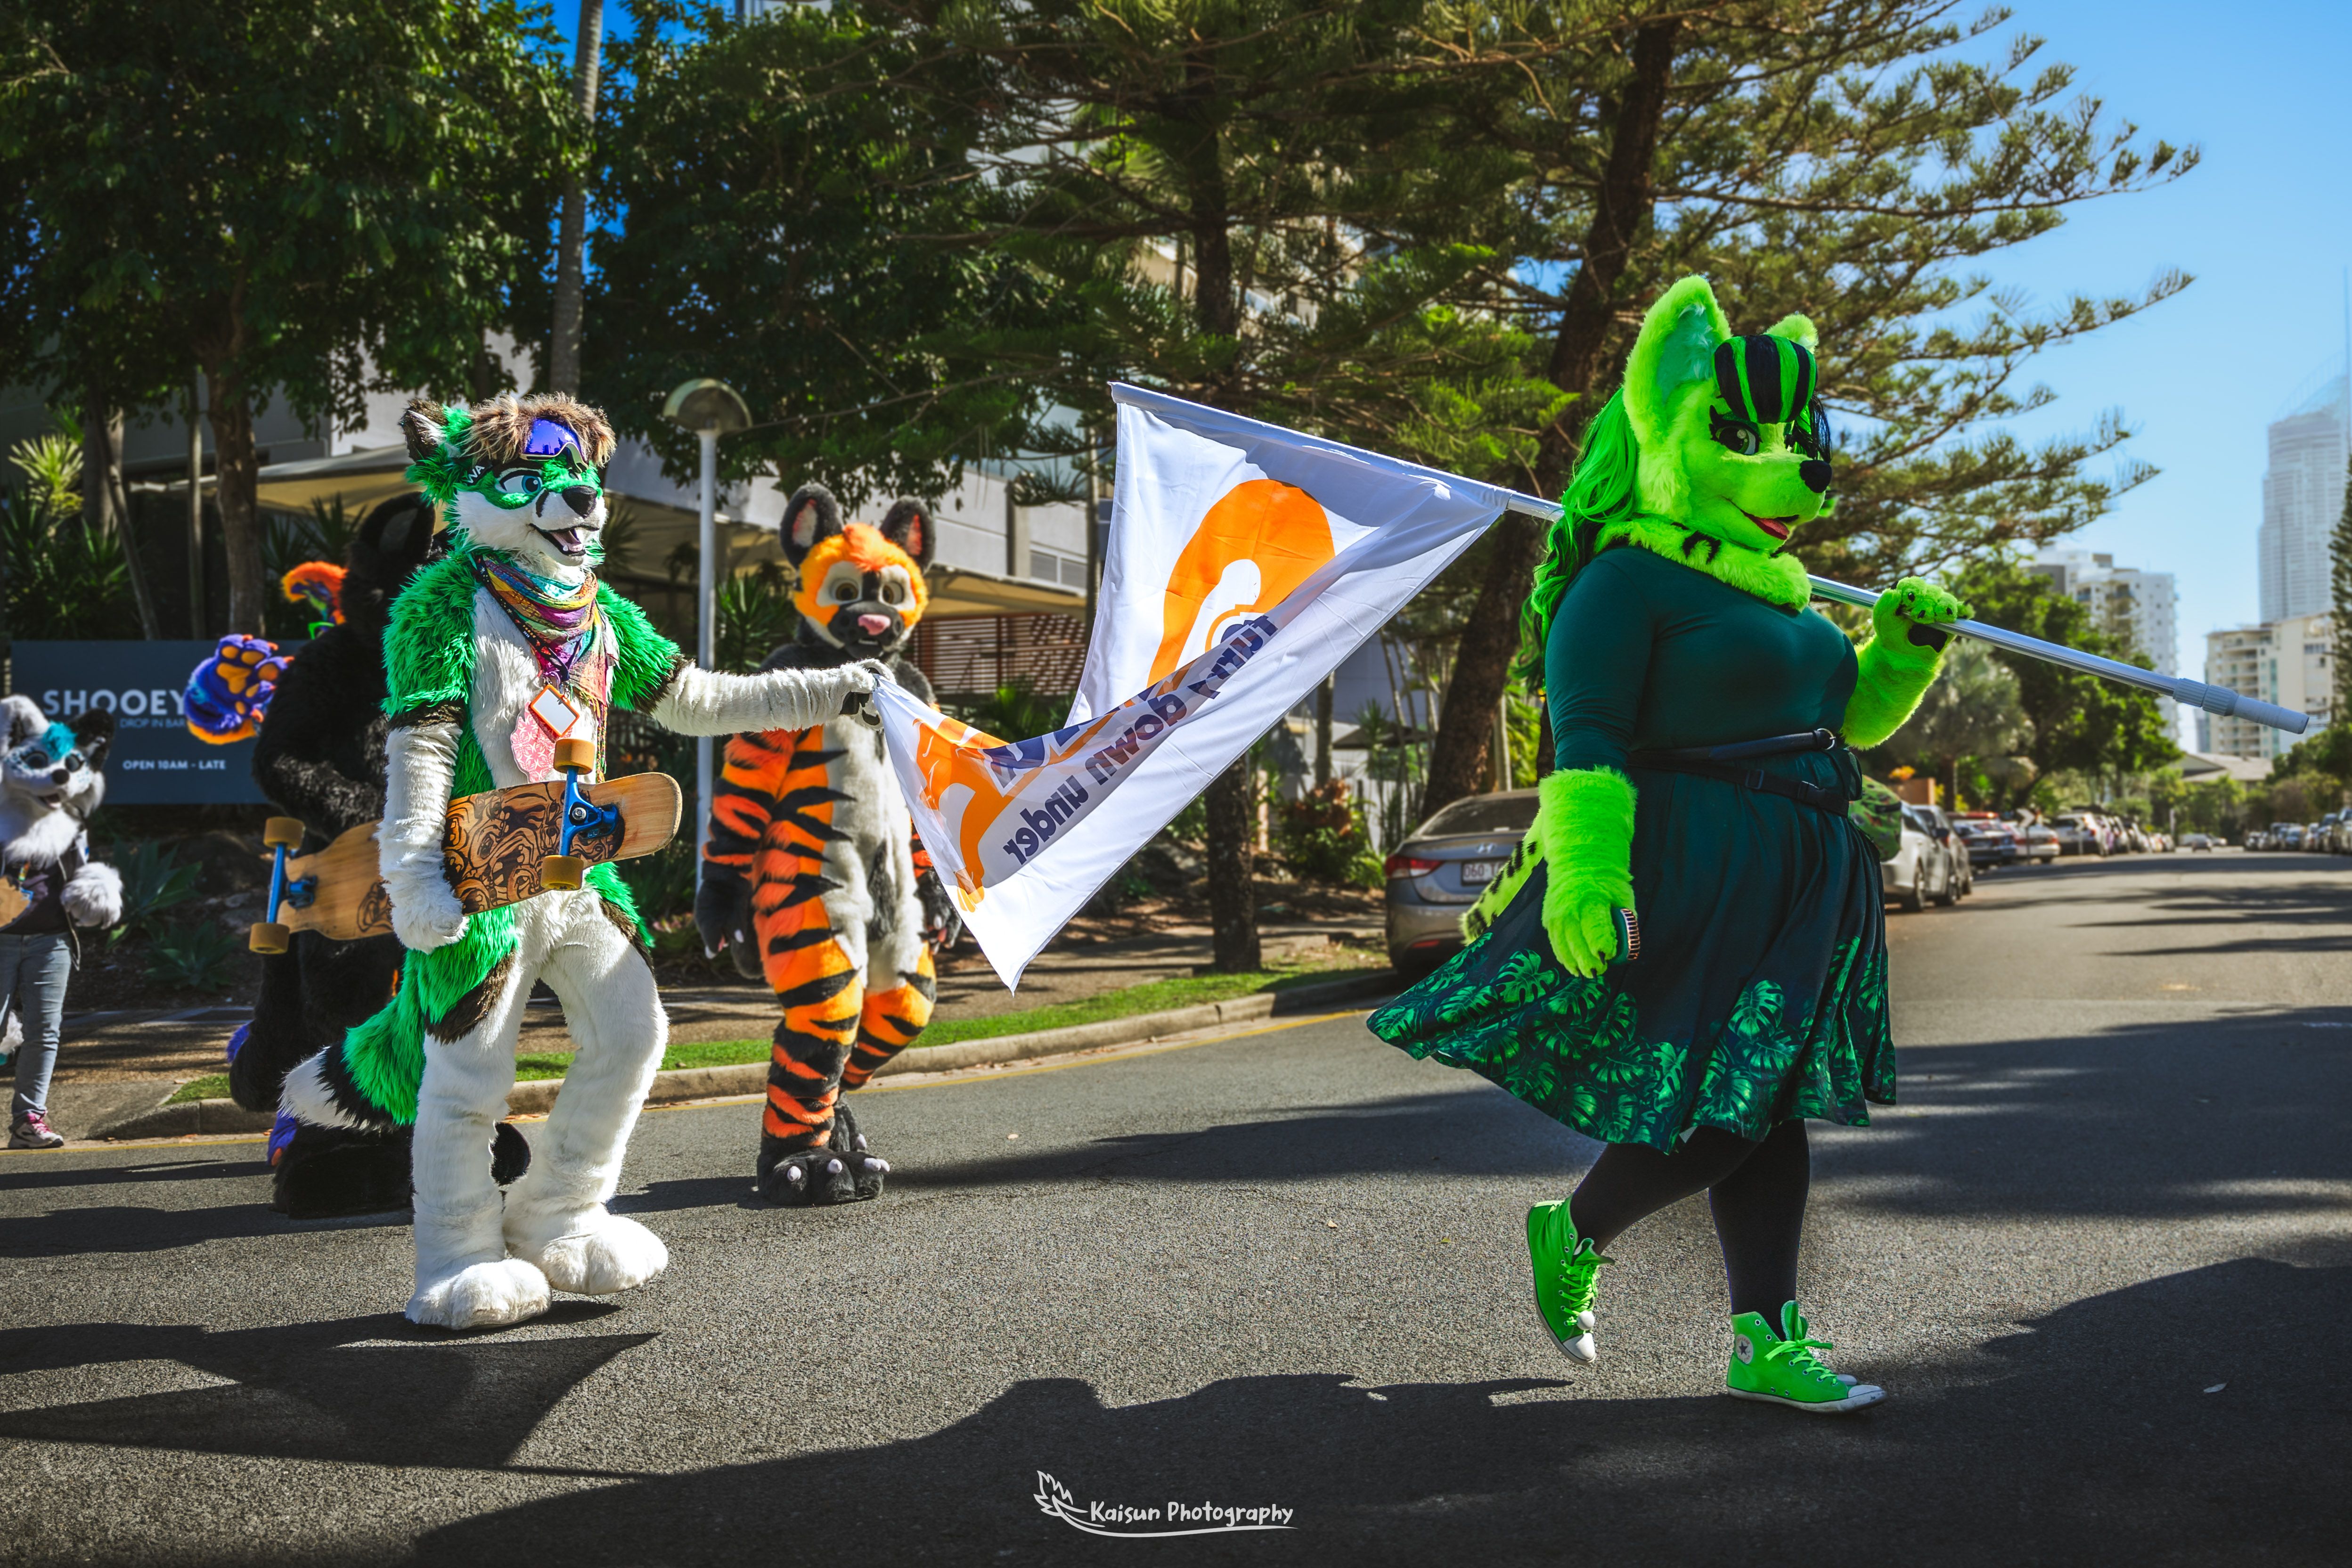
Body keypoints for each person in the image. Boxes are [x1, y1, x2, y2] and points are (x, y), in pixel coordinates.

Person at [1368, 275, 1962, 1413]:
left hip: (1805, 876)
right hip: (1700, 864)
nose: (1792, 464)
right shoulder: (1625, 581)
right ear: (1672, 428)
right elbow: (1583, 739)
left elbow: (1850, 717)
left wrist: (1902, 650)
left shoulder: (1787, 598)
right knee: (1731, 1105)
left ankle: (1764, 1341)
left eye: (1803, 438)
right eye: (1746, 437)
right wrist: (1589, 873)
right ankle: (1579, 1227)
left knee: (1775, 1102)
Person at [0, 701, 124, 1149]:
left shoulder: (69, 822)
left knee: (44, 1031)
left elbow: (82, 869)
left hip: (52, 939)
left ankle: (28, 1121)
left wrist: (95, 893)